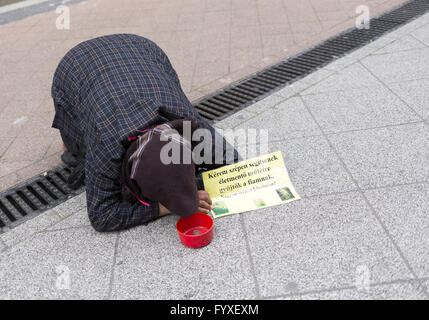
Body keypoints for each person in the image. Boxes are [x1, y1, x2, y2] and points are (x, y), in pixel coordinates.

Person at [51, 34, 238, 232]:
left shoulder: (188, 122)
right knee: (76, 152)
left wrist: (187, 190)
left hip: (141, 49)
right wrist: (163, 207)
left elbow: (231, 161)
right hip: (74, 67)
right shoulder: (105, 147)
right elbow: (102, 216)